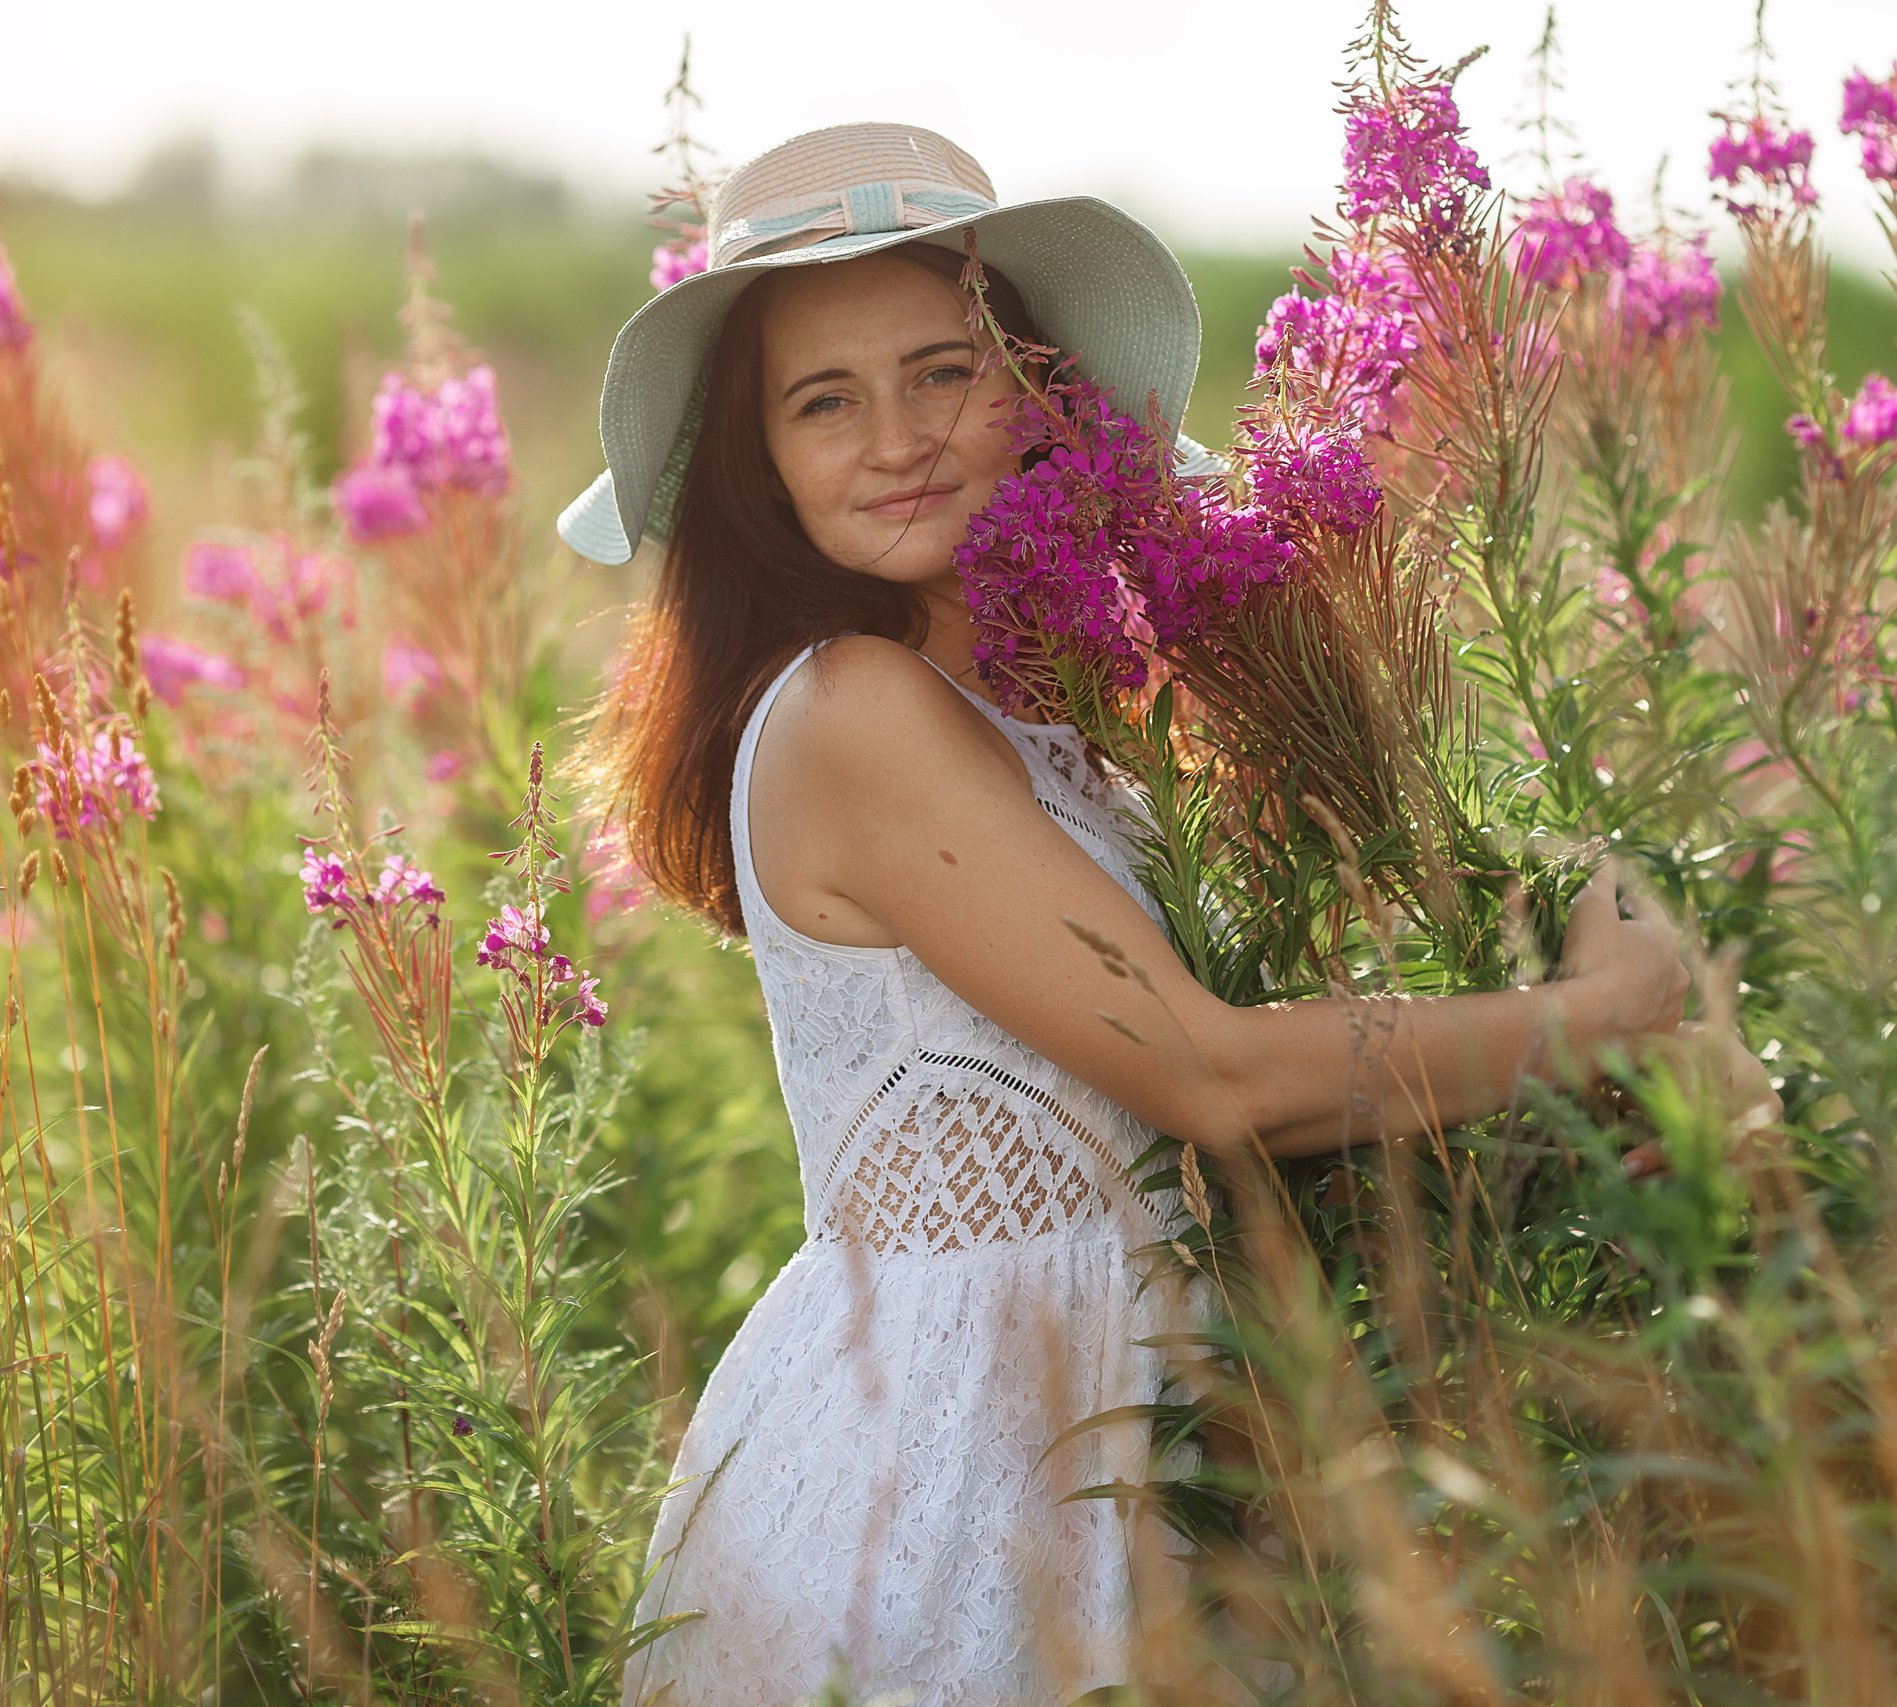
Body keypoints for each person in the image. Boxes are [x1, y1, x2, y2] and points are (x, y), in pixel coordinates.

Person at [568, 122, 1775, 1705]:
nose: (898, 438)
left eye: (945, 371)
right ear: (761, 465)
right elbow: (1215, 1074)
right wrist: (1606, 1016)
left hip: (1132, 1428)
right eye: (824, 401)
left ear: (1036, 388)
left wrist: (1576, 881)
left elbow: (1367, 915)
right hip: (945, 1475)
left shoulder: (1045, 709)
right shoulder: (856, 707)